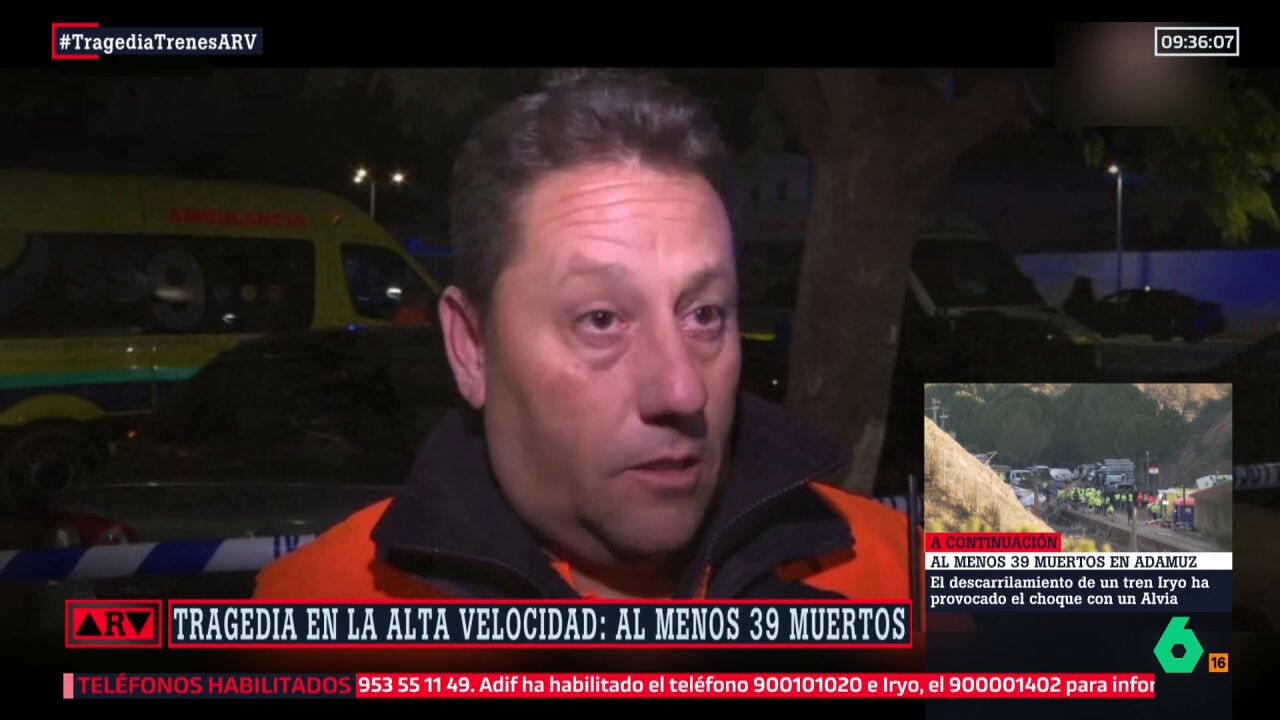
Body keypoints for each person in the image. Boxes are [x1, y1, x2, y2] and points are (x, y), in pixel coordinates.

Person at [253, 70, 911, 600]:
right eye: (601, 319)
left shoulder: (904, 578)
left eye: (704, 314)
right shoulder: (313, 611)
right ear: (471, 348)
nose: (681, 391)